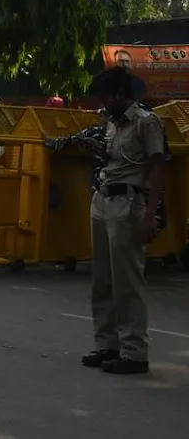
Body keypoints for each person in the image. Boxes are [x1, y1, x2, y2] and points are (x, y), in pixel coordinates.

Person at [82, 66, 165, 376]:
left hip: (128, 202)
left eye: (105, 97)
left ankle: (134, 351)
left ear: (120, 94)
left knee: (127, 280)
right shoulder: (112, 124)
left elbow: (157, 168)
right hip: (103, 199)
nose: (101, 104)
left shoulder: (147, 122)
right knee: (102, 278)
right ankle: (107, 344)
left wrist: (150, 214)